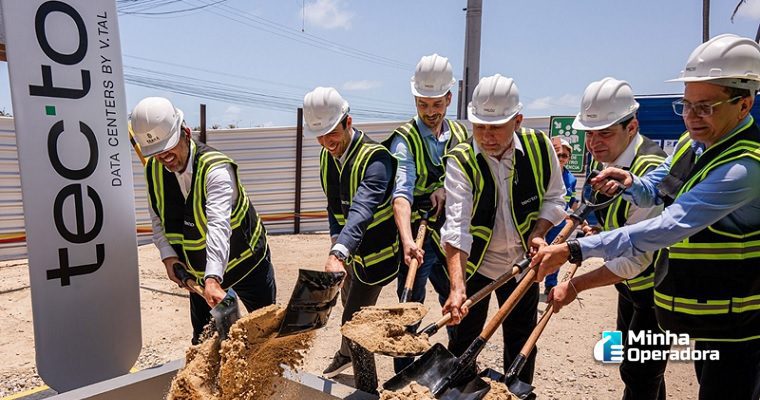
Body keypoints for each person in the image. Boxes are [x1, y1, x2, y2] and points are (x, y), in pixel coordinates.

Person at [531, 34, 760, 400]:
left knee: (649, 377)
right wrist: (629, 182)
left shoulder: (744, 168)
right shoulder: (694, 144)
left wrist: (575, 252)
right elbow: (655, 188)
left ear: (744, 104)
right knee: (641, 375)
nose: (691, 117)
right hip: (703, 312)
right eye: (686, 105)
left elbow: (667, 227)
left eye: (705, 107)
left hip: (737, 323)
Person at [441, 74, 567, 384]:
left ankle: (515, 391)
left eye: (495, 126)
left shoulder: (540, 148)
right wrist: (457, 287)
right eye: (479, 126)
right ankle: (461, 390)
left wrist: (538, 233)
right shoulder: (462, 160)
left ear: (518, 120)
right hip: (478, 267)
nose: (486, 135)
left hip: (522, 266)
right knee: (463, 343)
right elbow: (456, 226)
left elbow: (554, 198)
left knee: (522, 342)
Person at [549, 78, 670, 399]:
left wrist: (573, 285)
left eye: (605, 133)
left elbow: (635, 258)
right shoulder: (608, 162)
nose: (594, 142)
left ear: (632, 127)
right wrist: (554, 244)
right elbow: (582, 210)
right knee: (639, 371)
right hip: (630, 289)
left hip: (655, 294)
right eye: (589, 133)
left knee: (640, 372)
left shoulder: (649, 170)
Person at [131, 97, 276, 345]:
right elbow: (158, 218)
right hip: (199, 271)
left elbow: (219, 226)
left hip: (247, 263)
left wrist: (212, 280)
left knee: (266, 334)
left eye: (169, 148)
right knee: (204, 342)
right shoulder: (153, 170)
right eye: (157, 153)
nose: (165, 158)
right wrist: (168, 256)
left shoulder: (216, 170)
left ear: (185, 132)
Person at [302, 87, 400, 379]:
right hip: (349, 256)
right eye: (319, 136)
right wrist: (337, 246)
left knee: (355, 321)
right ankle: (346, 355)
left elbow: (361, 210)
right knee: (349, 305)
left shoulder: (376, 160)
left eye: (331, 132)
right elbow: (335, 209)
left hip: (376, 256)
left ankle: (367, 388)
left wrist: (339, 252)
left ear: (348, 122)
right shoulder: (326, 157)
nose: (326, 142)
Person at [383, 53, 469, 372]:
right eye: (422, 104)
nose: (430, 112)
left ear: (449, 97)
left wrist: (448, 186)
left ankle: (459, 365)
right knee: (409, 303)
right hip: (418, 238)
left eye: (436, 104)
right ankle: (404, 373)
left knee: (456, 299)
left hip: (451, 237)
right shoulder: (405, 140)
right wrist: (407, 240)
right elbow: (401, 194)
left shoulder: (462, 136)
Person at [542, 137, 578, 295]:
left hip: (559, 224)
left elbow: (571, 201)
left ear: (569, 158)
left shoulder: (571, 178)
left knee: (556, 254)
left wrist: (581, 219)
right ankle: (526, 283)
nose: (561, 158)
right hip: (541, 222)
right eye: (558, 155)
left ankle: (550, 284)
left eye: (565, 156)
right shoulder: (543, 174)